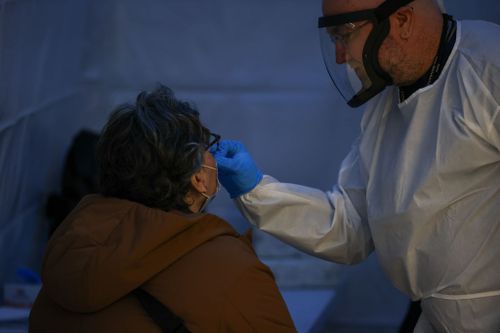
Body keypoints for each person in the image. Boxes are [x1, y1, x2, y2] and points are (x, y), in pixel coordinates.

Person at [211, 0, 500, 332]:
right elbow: (351, 225)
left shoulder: (489, 69)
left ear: (403, 20)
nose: (339, 55)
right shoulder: (386, 103)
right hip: (432, 320)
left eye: (343, 35)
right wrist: (256, 191)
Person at [29, 85, 297, 333]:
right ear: (197, 178)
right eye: (209, 146)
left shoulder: (67, 261)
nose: (214, 154)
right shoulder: (234, 275)